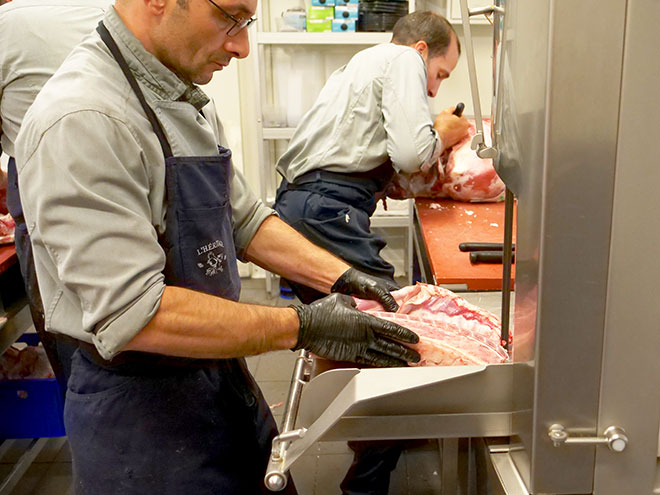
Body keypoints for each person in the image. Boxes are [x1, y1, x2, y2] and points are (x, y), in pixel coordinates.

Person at [14, 0, 421, 492]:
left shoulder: (180, 94)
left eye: (246, 22)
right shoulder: (84, 117)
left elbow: (243, 218)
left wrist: (343, 277)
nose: (242, 46)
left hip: (216, 377)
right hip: (141, 418)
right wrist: (303, 325)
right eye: (229, 17)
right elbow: (134, 312)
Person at [272, 11, 469, 494]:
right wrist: (446, 132)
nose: (435, 91)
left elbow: (381, 164)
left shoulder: (363, 64)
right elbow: (409, 154)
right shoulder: (402, 58)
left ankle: (379, 437)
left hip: (306, 204)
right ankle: (366, 482)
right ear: (421, 51)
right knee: (397, 339)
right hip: (325, 209)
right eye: (440, 75)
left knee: (368, 336)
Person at [0, 0, 109, 395]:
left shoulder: (6, 25)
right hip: (127, 185)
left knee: (75, 349)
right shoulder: (105, 10)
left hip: (45, 191)